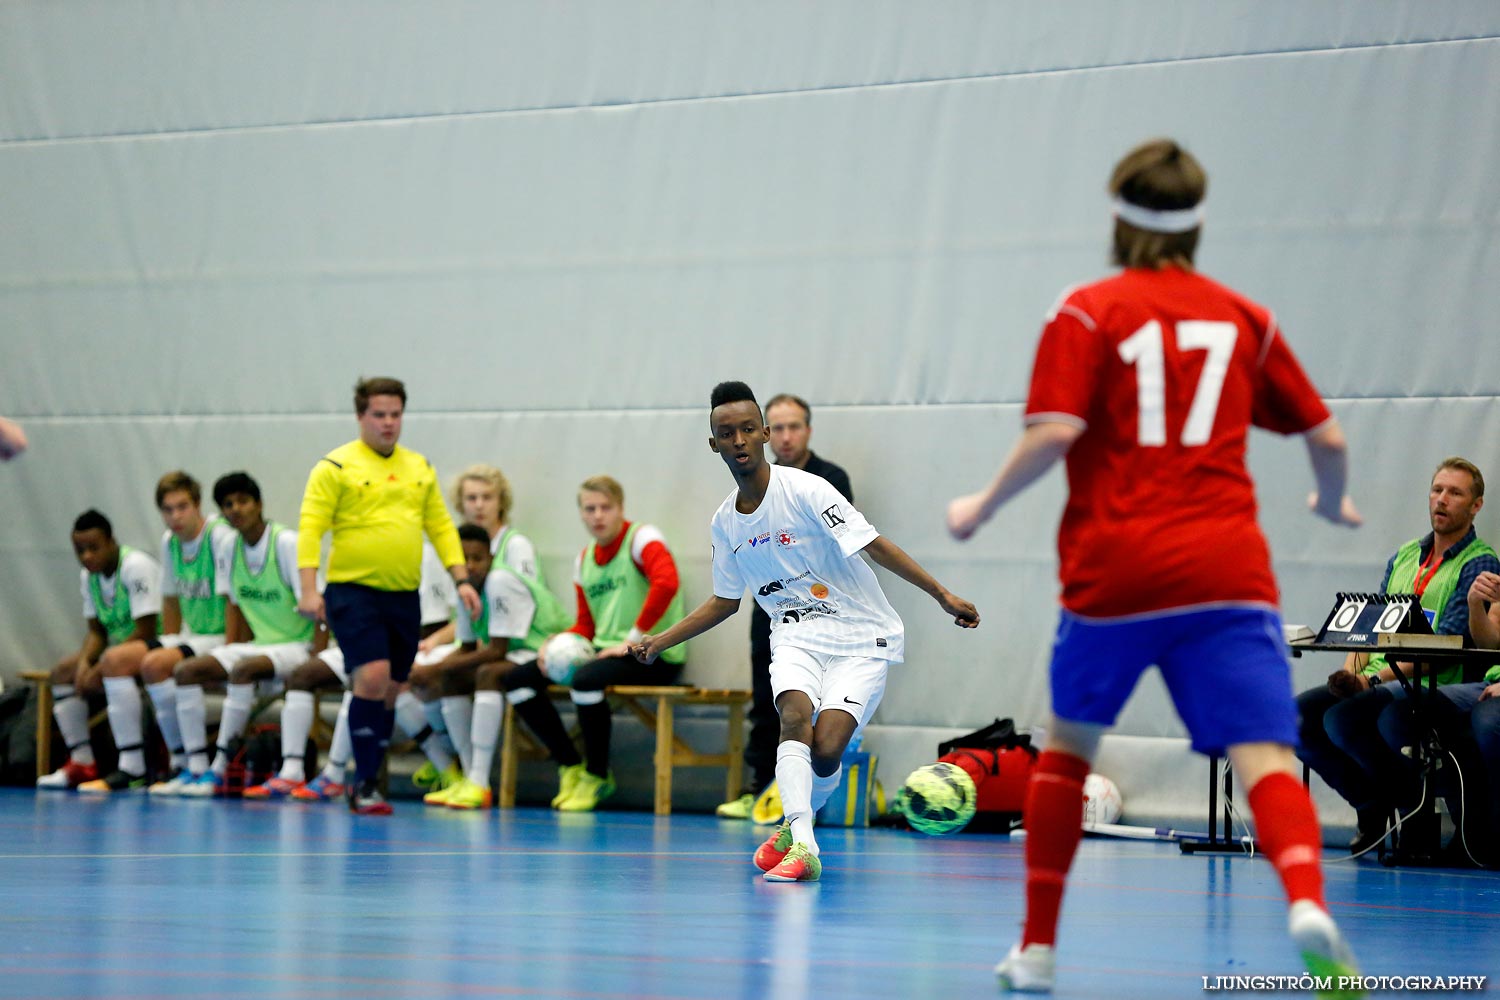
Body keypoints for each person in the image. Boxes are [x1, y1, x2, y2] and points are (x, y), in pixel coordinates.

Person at [943, 139, 1364, 993]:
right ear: (1198, 223)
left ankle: (1037, 948)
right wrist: (1331, 501)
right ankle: (1308, 901)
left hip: (1116, 574)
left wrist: (981, 504)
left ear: (1117, 217)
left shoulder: (1089, 311)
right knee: (1266, 756)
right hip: (1226, 571)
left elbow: (1056, 431)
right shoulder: (1246, 317)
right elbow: (1328, 436)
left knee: (1065, 751)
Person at [633, 381, 979, 882]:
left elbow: (873, 545)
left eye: (748, 429)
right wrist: (660, 641)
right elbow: (726, 602)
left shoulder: (808, 489)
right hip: (795, 635)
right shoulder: (724, 523)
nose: (739, 441)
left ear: (765, 433)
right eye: (726, 433)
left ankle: (792, 828)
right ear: (714, 444)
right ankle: (805, 844)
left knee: (827, 751)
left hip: (861, 637)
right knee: (793, 718)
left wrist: (941, 594)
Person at [296, 377, 479, 815]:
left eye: (395, 414)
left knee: (394, 688)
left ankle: (368, 779)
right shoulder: (335, 467)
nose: (388, 423)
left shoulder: (419, 467)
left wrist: (462, 579)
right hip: (353, 593)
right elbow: (311, 528)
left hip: (403, 595)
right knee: (373, 677)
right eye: (379, 414)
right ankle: (362, 784)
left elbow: (439, 525)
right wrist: (308, 587)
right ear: (361, 416)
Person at [1297, 458, 1497, 852]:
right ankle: (1370, 805)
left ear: (1476, 506)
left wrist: (1368, 681)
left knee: (1344, 720)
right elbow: (1368, 630)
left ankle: (1413, 809)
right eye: (1437, 490)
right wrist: (1347, 674)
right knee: (1298, 718)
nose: (1442, 500)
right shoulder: (1404, 556)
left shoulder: (1479, 562)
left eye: (1455, 493)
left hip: (1425, 681)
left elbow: (1443, 647)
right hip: (1375, 675)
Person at [500, 475, 685, 812]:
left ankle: (598, 775)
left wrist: (632, 641)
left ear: (620, 509)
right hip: (606, 653)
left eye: (606, 507)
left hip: (656, 655)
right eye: (590, 509)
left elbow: (667, 583)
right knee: (517, 680)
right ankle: (570, 765)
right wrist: (555, 643)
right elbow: (586, 625)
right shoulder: (583, 560)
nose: (598, 515)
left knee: (586, 679)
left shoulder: (642, 539)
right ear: (582, 514)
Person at [718, 394, 855, 820]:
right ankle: (762, 788)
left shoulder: (827, 479)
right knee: (770, 697)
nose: (785, 436)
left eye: (793, 426)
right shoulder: (747, 487)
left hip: (831, 615)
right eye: (777, 428)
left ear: (808, 430)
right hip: (774, 610)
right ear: (765, 434)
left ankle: (809, 793)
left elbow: (845, 544)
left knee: (825, 708)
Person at [164, 471, 333, 796]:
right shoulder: (229, 547)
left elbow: (319, 607)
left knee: (242, 671)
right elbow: (236, 607)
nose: (236, 509)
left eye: (243, 501)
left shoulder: (285, 543)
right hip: (260, 647)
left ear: (259, 504)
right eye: (228, 504)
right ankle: (194, 768)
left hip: (298, 644)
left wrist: (318, 656)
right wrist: (225, 655)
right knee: (187, 671)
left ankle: (219, 770)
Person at [428, 523, 572, 809]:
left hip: (543, 650)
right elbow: (467, 648)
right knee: (451, 680)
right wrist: (435, 668)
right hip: (514, 654)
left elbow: (496, 650)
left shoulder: (500, 581)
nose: (470, 566)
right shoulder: (465, 589)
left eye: (478, 558)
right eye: (463, 560)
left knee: (487, 674)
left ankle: (480, 781)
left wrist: (434, 668)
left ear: (491, 558)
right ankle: (469, 777)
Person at [36, 511, 162, 789]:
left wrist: (100, 667)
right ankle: (82, 761)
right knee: (62, 672)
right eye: (80, 550)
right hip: (119, 652)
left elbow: (147, 629)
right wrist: (84, 663)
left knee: (113, 662)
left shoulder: (135, 566)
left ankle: (133, 768)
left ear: (111, 541)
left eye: (94, 548)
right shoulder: (88, 577)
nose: (87, 557)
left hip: (157, 646)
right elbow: (96, 632)